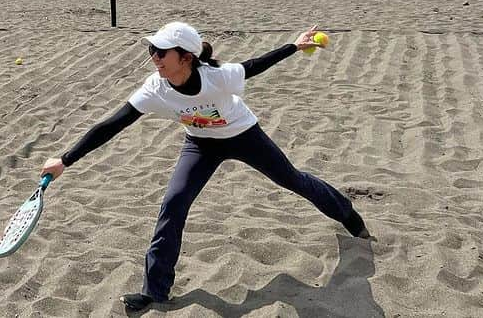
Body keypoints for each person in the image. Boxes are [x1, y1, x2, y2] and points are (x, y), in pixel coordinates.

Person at [40, 21, 369, 311]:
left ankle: (346, 213)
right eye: (152, 50)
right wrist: (65, 160)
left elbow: (254, 65)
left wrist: (294, 46)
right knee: (174, 203)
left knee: (293, 180)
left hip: (243, 135)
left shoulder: (217, 78)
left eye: (161, 52)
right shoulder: (155, 87)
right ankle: (155, 292)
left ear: (186, 57)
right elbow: (114, 123)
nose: (154, 57)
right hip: (199, 144)